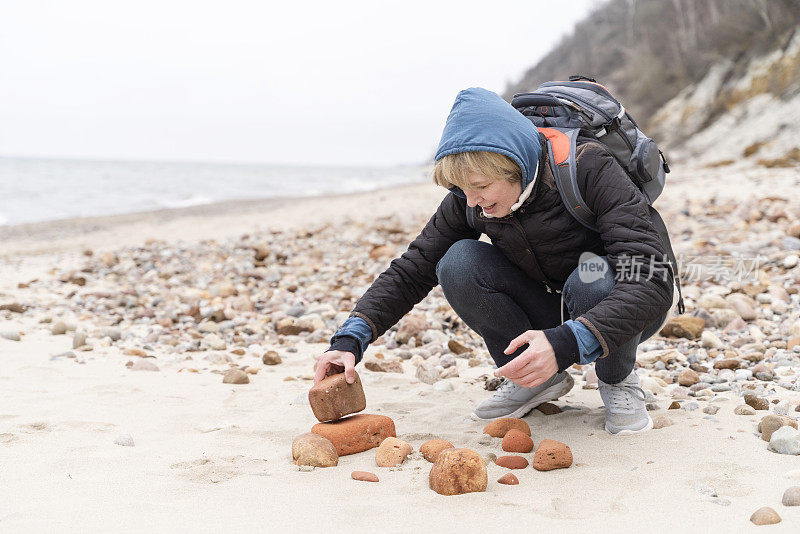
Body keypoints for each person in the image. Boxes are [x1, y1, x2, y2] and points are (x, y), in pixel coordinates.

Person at [313, 87, 676, 435]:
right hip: (551, 304)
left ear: (513, 165)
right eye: (463, 191)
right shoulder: (469, 197)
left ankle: (617, 379)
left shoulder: (588, 165)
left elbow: (652, 280)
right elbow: (414, 267)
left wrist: (567, 343)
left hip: (618, 302)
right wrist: (350, 339)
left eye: (481, 187)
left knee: (590, 276)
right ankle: (535, 379)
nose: (472, 202)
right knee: (457, 261)